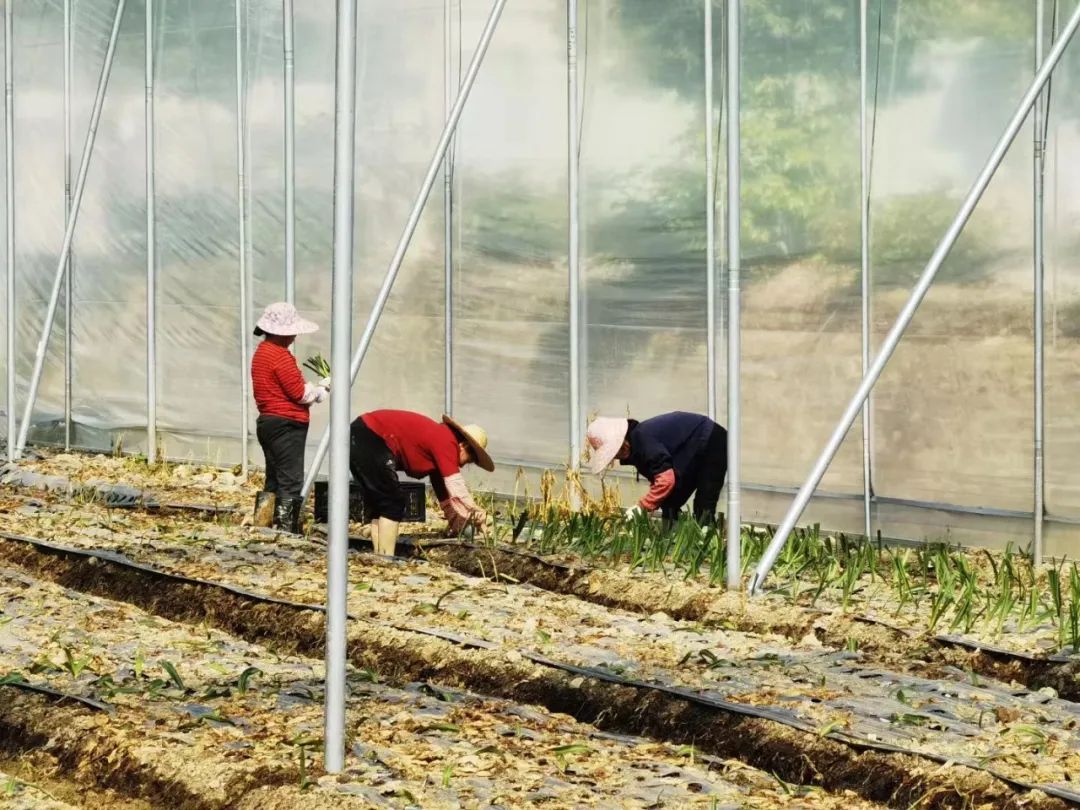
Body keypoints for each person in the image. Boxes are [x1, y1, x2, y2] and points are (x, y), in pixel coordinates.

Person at [349, 409, 495, 556]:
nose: (463, 465)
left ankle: (380, 556)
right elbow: (456, 487)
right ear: (463, 446)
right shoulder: (446, 441)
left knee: (381, 505)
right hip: (371, 436)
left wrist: (458, 525)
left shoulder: (440, 442)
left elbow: (446, 498)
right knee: (392, 504)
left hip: (360, 433)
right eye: (468, 460)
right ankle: (386, 559)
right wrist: (475, 511)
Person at [250, 302, 330, 532]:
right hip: (287, 425)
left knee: (274, 477)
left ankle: (262, 525)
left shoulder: (261, 353)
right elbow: (299, 394)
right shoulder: (280, 356)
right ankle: (286, 531)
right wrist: (322, 388)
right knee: (291, 479)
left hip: (267, 422)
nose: (295, 335)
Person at [586, 411, 727, 525]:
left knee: (705, 502)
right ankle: (670, 537)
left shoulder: (642, 440)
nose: (615, 457)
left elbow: (666, 480)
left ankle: (707, 544)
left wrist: (642, 507)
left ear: (623, 443)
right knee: (670, 498)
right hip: (694, 445)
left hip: (711, 439)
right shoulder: (636, 447)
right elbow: (662, 478)